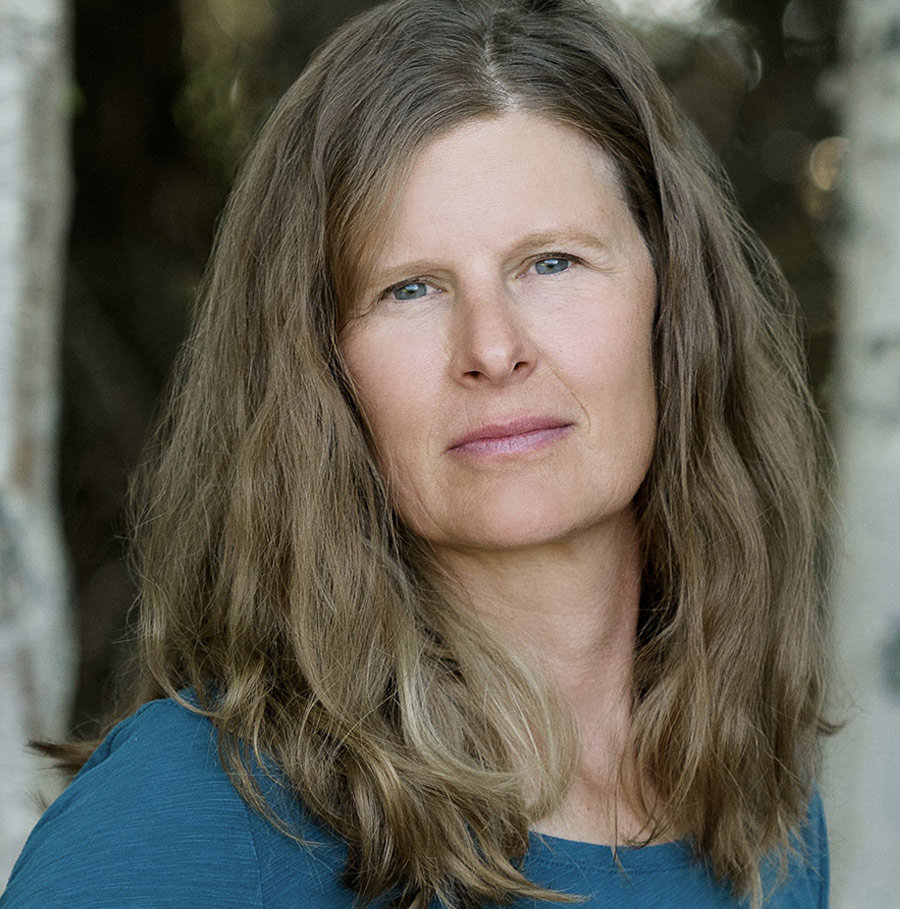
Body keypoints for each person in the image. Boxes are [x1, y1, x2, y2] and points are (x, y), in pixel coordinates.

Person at [1, 0, 834, 906]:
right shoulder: (186, 816)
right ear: (321, 368)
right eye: (410, 288)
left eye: (551, 262)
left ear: (673, 307)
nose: (493, 348)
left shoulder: (761, 808)